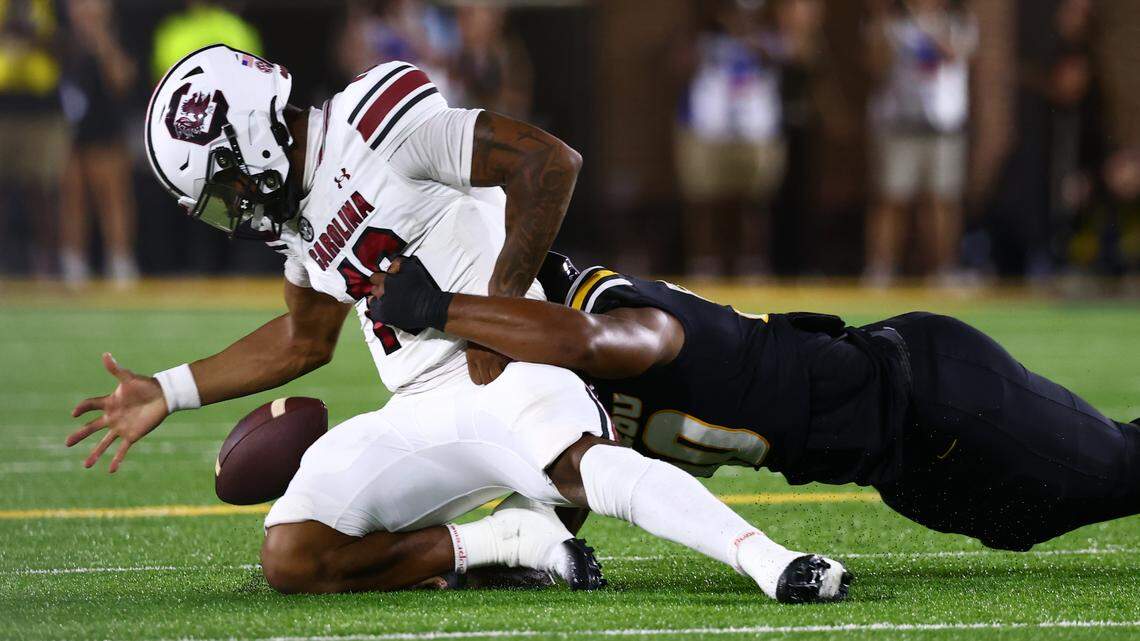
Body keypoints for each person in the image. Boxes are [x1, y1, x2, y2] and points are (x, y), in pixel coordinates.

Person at [67, 45, 850, 603]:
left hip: (505, 368)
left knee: (584, 467)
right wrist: (166, 391)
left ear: (252, 136)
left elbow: (548, 163)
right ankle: (506, 540)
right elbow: (302, 339)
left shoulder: (374, 121)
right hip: (418, 406)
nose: (234, 206)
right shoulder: (297, 219)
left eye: (228, 183)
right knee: (292, 551)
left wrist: (495, 314)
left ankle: (769, 559)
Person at [370, 250, 1140, 553]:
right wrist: (497, 550)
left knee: (1119, 468)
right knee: (1026, 522)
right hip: (894, 465)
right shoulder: (567, 388)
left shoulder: (615, 312)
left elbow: (596, 343)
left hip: (932, 387)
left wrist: (442, 308)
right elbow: (570, 483)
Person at [865, 0, 977, 285]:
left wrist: (933, 34)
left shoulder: (958, 21)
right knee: (892, 198)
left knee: (942, 200)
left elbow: (959, 53)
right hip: (901, 123)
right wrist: (883, 25)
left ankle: (943, 269)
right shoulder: (893, 23)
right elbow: (875, 65)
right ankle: (881, 269)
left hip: (944, 124)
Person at [58, 0, 138, 287]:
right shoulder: (61, 39)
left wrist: (102, 42)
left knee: (113, 196)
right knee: (72, 198)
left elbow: (122, 80)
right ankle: (73, 262)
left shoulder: (118, 36)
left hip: (106, 128)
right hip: (67, 130)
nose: (87, 10)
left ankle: (120, 260)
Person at [0, 0, 66, 276]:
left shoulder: (50, 5)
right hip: (4, 104)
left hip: (41, 107)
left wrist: (34, 35)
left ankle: (49, 263)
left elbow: (66, 44)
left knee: (43, 189)